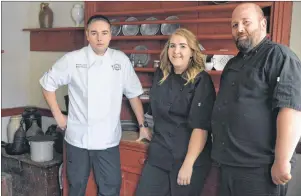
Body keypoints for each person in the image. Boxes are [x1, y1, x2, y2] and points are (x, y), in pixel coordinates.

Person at [39, 15, 151, 196]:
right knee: (76, 189)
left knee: (111, 190)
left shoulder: (120, 60)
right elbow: (47, 84)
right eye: (95, 33)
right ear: (87, 35)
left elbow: (133, 94)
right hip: (78, 140)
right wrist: (59, 116)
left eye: (104, 33)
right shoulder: (73, 59)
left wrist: (143, 126)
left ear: (110, 35)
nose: (100, 38)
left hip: (108, 141)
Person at [211, 3, 301, 196]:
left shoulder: (279, 56)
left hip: (259, 170)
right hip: (228, 165)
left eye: (246, 22)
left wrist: (281, 160)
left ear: (262, 24)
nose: (239, 29)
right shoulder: (233, 64)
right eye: (235, 25)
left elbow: (291, 109)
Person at [135, 28, 216, 196]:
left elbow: (200, 128)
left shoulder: (202, 81)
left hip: (187, 158)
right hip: (159, 155)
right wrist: (143, 126)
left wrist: (188, 164)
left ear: (192, 52)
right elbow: (156, 112)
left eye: (182, 46)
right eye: (172, 46)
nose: (176, 51)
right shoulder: (161, 75)